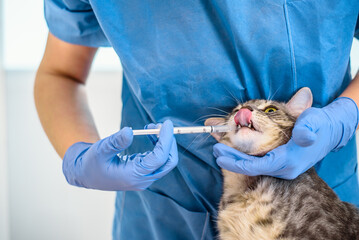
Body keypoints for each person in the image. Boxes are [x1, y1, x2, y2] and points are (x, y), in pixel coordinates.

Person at [34, 0, 359, 239]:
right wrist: (78, 155)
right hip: (160, 214)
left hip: (314, 201)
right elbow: (60, 73)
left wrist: (345, 114)